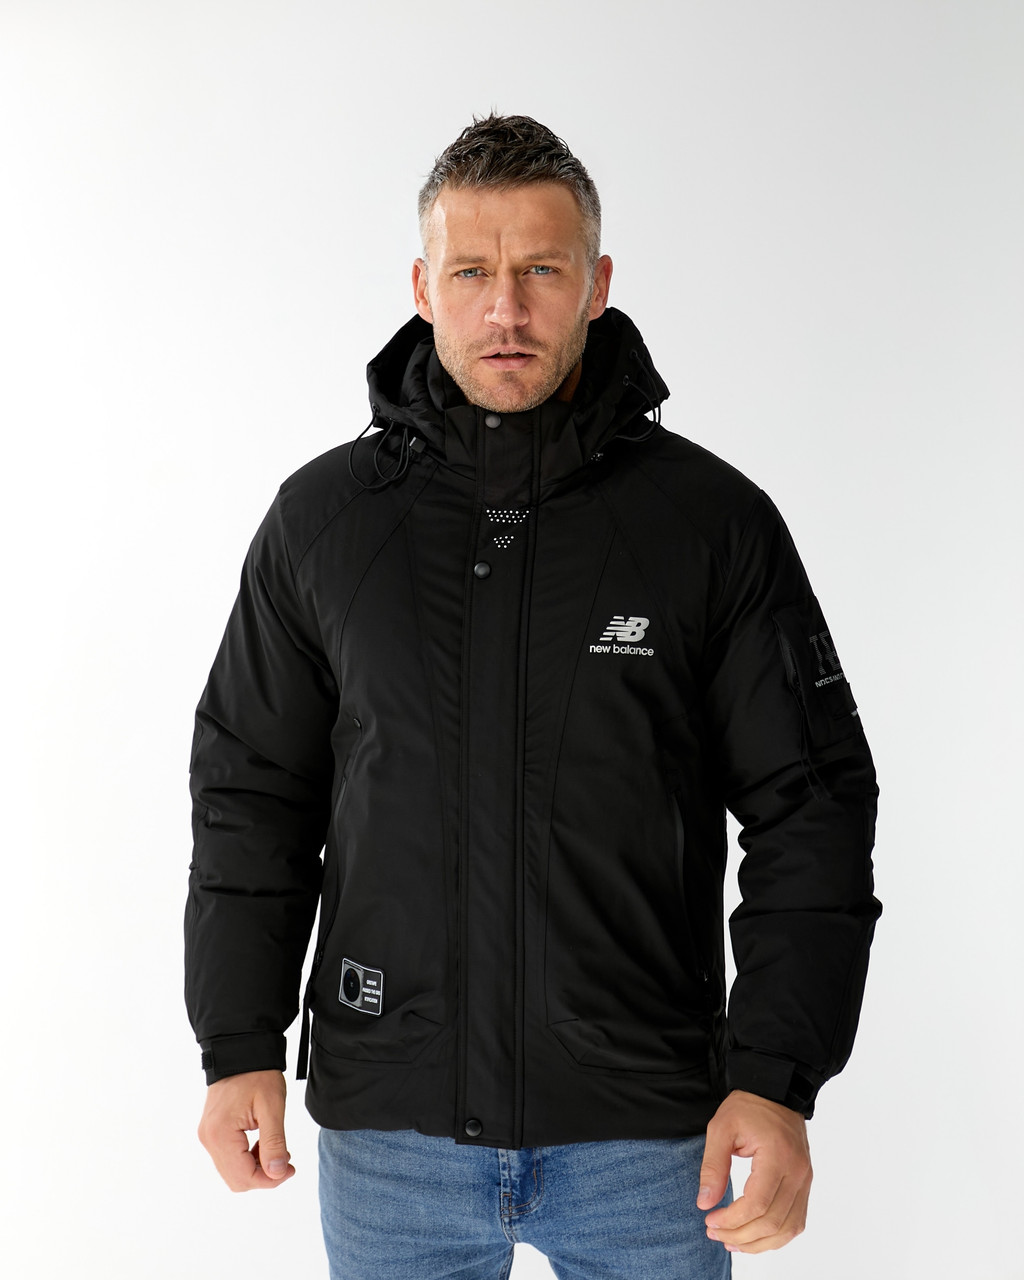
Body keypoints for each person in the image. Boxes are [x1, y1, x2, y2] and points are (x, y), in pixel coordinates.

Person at [186, 114, 880, 1278]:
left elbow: (809, 803)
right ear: (423, 287)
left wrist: (775, 1073)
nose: (504, 309)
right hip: (392, 1140)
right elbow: (253, 790)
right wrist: (238, 1036)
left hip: (649, 1143)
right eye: (471, 272)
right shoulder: (324, 523)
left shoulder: (709, 523)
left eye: (541, 272)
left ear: (596, 284)